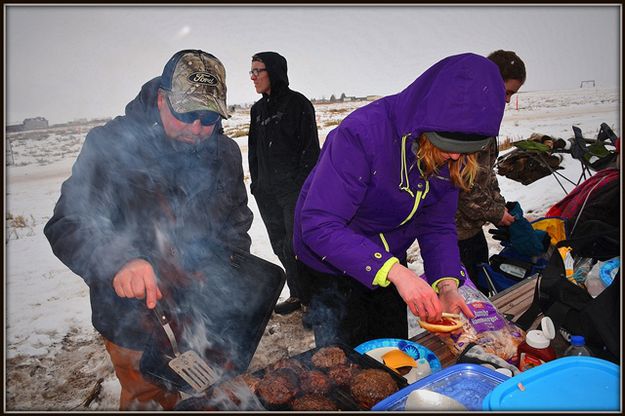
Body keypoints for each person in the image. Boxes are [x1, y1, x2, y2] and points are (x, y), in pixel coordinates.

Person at [44, 50, 253, 410]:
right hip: (132, 313)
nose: (197, 129)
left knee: (217, 388)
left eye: (208, 118)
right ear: (162, 99)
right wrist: (120, 261)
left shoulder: (226, 152)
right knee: (150, 397)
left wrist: (229, 277)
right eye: (188, 114)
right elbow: (67, 223)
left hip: (199, 301)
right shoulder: (109, 146)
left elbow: (236, 222)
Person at [293, 53, 506, 348]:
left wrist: (446, 283)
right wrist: (395, 271)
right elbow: (318, 224)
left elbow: (437, 223)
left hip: (388, 255)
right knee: (346, 359)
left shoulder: (453, 154)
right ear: (427, 124)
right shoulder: (362, 134)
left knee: (393, 348)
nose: (456, 156)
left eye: (466, 149)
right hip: (333, 257)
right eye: (448, 145)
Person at [248, 51, 320, 315]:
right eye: (251, 72)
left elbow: (311, 149)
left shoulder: (298, 104)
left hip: (294, 192)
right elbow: (254, 151)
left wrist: (301, 186)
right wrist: (256, 184)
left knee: (297, 246)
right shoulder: (257, 110)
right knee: (279, 245)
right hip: (267, 193)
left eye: (259, 71)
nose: (253, 77)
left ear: (275, 72)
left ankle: (314, 301)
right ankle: (297, 294)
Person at [455, 49, 526, 294]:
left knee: (479, 283)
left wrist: (500, 203)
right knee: (464, 293)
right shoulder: (466, 120)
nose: (507, 100)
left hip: (470, 229)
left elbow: (486, 173)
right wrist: (496, 212)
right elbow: (463, 184)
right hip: (452, 230)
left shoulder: (486, 118)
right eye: (507, 92)